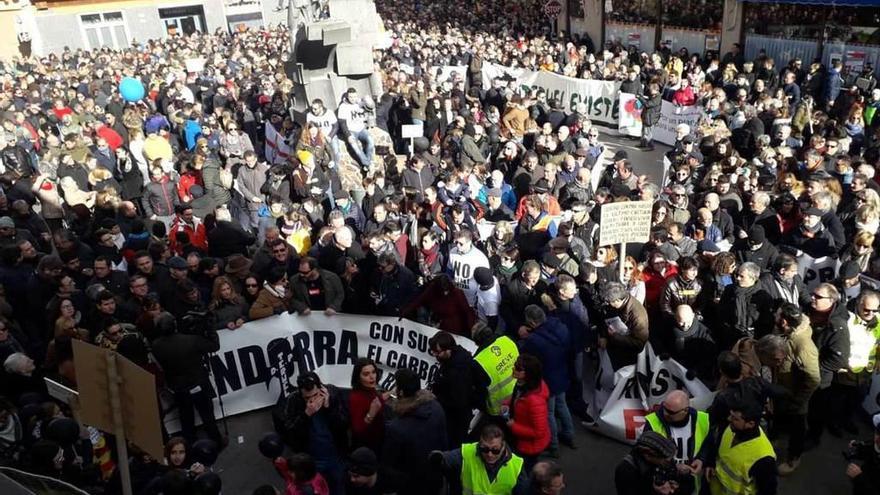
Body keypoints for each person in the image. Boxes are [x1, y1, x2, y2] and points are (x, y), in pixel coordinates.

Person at [150, 313, 223, 446]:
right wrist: (210, 328)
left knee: (186, 418)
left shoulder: (156, 346)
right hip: (198, 382)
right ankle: (216, 441)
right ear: (175, 325)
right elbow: (214, 346)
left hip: (178, 387)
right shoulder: (191, 340)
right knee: (207, 416)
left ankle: (189, 446)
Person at [277, 372, 349, 494]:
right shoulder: (294, 401)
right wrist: (306, 415)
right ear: (300, 393)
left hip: (335, 456)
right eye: (307, 398)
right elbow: (290, 433)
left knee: (339, 487)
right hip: (312, 460)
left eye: (315, 395)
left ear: (321, 389)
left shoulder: (333, 394)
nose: (312, 400)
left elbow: (344, 424)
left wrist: (329, 407)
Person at [518, 305, 574, 454]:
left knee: (549, 413)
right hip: (562, 372)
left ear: (532, 323)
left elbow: (525, 356)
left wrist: (524, 338)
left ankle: (553, 445)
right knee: (562, 406)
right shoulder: (558, 325)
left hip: (547, 380)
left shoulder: (533, 340)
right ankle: (569, 435)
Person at [382, 368, 448, 495]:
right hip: (435, 479)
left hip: (412, 486)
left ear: (400, 392)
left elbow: (389, 465)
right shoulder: (436, 407)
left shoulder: (396, 428)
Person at [772, 302, 820, 475]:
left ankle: (793, 458)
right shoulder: (785, 333)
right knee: (779, 418)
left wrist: (799, 401)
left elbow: (814, 378)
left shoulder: (804, 345)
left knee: (797, 429)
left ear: (784, 321)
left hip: (796, 397)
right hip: (783, 390)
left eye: (777, 315)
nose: (774, 318)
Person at [432, 423, 529, 495]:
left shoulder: (517, 465)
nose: (490, 454)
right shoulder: (467, 452)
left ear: (503, 446)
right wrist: (439, 458)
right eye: (485, 449)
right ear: (479, 444)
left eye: (495, 450)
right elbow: (447, 458)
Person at [642, 390, 709, 494]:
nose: (665, 413)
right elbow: (645, 455)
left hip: (692, 483)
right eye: (664, 408)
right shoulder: (652, 422)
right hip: (664, 483)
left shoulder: (703, 419)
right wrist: (673, 468)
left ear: (685, 411)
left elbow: (710, 444)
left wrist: (701, 459)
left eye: (671, 412)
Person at [705, 400, 777, 495]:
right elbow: (718, 446)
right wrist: (710, 463)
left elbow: (768, 491)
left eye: (735, 418)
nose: (729, 419)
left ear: (750, 424)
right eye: (731, 415)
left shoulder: (763, 457)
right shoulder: (732, 428)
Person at [428, 331, 478, 447]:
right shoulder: (457, 359)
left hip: (456, 419)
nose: (435, 355)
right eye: (433, 352)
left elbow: (458, 401)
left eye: (437, 352)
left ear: (448, 349)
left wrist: (436, 398)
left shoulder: (457, 372)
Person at [506, 353, 550, 471]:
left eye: (518, 368)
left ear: (528, 374)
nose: (514, 369)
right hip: (520, 440)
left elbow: (539, 431)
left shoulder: (535, 401)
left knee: (525, 471)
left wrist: (514, 426)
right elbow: (517, 396)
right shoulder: (523, 384)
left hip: (529, 447)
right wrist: (507, 403)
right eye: (515, 365)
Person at [614, 430, 683, 495]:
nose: (669, 463)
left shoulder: (655, 462)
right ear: (648, 455)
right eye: (665, 460)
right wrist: (656, 491)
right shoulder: (625, 471)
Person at [348, 357, 388, 452]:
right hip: (366, 448)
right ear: (358, 377)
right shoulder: (356, 397)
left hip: (378, 442)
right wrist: (371, 414)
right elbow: (358, 429)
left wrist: (388, 394)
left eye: (373, 372)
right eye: (366, 374)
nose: (372, 377)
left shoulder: (370, 389)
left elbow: (375, 402)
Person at [844, 414, 880, 495]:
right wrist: (858, 447)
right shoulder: (876, 443)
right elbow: (871, 448)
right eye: (878, 432)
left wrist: (859, 478)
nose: (877, 439)